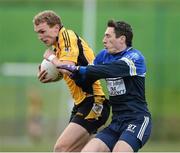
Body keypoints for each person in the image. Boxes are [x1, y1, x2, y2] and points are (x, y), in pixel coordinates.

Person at [58, 20, 152, 152]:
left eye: (108, 36)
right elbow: (85, 79)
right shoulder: (103, 56)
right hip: (116, 122)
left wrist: (78, 69)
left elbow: (110, 70)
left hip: (136, 120)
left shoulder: (135, 58)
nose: (104, 40)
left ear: (122, 39)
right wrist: (72, 73)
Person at [33, 10, 110, 152]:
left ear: (56, 27)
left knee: (61, 148)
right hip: (82, 104)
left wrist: (51, 57)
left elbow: (69, 69)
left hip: (93, 102)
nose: (40, 36)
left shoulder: (67, 36)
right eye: (38, 33)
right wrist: (50, 77)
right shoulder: (58, 47)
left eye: (42, 31)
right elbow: (70, 73)